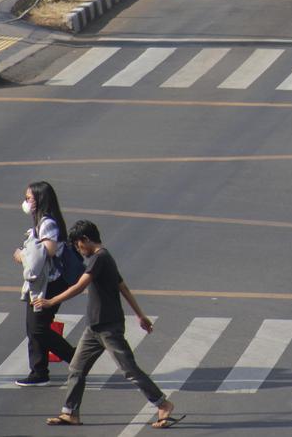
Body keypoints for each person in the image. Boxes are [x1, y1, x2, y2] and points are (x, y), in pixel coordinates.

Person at [31, 220, 182, 429]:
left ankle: (163, 404)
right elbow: (123, 287)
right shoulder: (104, 258)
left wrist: (51, 301)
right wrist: (140, 315)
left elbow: (79, 286)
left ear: (85, 240)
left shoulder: (99, 258)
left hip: (108, 327)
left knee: (129, 369)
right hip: (94, 328)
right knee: (76, 367)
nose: (78, 249)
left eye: (77, 245)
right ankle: (70, 413)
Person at [11, 181, 76, 387]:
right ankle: (39, 371)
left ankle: (77, 359)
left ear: (39, 200)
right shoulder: (41, 222)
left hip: (51, 284)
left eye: (29, 198)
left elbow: (48, 250)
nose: (26, 202)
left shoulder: (48, 223)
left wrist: (23, 255)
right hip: (43, 283)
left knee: (38, 329)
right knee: (35, 328)